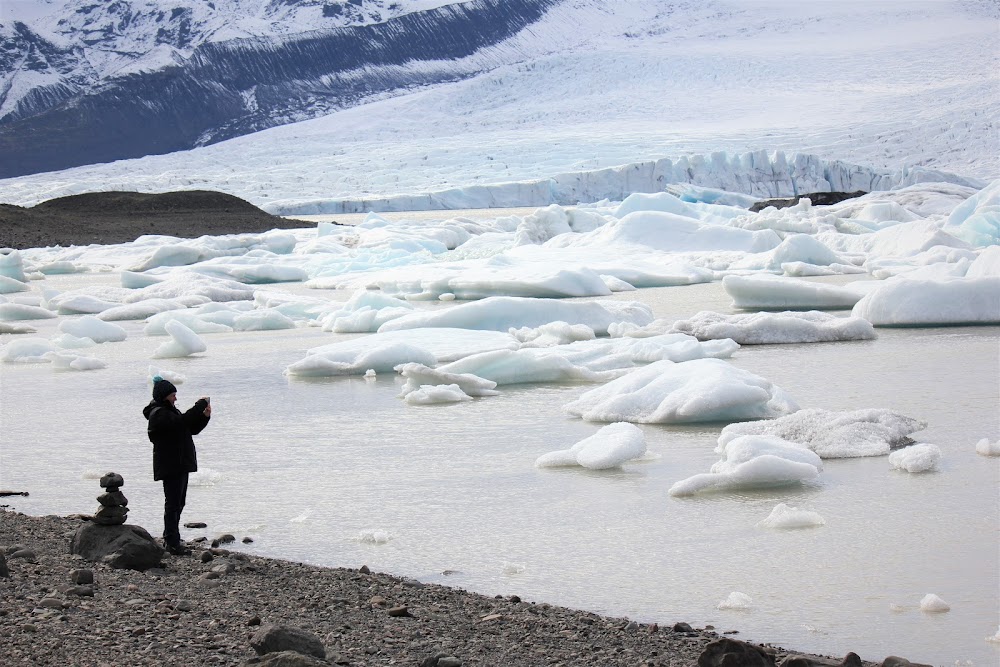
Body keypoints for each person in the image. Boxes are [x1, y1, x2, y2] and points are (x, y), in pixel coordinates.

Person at [143, 376, 212, 555]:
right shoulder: (159, 413)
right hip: (171, 464)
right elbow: (183, 422)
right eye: (173, 395)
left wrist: (204, 417)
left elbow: (190, 429)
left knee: (178, 503)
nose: (176, 398)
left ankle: (172, 539)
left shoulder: (169, 411)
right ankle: (172, 542)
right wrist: (199, 405)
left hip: (179, 463)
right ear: (164, 396)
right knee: (173, 503)